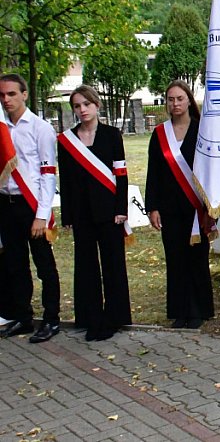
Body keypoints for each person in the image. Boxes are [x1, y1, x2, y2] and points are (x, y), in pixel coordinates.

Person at [57, 85, 132, 341]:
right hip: (81, 213)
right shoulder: (66, 140)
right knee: (86, 266)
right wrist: (67, 215)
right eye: (77, 106)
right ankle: (91, 317)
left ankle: (114, 318)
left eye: (86, 104)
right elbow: (65, 180)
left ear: (96, 105)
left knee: (113, 265)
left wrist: (121, 209)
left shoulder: (112, 135)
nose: (82, 110)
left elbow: (121, 174)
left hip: (109, 212)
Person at [146, 80, 214, 330]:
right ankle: (179, 310)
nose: (175, 103)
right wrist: (152, 207)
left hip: (196, 207)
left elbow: (210, 169)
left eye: (180, 98)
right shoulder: (159, 134)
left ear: (188, 100)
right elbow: (153, 172)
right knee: (175, 259)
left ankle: (198, 310)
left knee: (197, 258)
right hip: (169, 207)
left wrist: (210, 207)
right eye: (171, 99)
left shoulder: (202, 130)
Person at [0, 73, 60, 343]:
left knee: (44, 266)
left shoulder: (40, 128)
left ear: (24, 94)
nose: (6, 99)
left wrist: (41, 216)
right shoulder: (1, 127)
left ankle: (51, 319)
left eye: (12, 94)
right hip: (6, 203)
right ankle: (23, 317)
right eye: (2, 95)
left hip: (31, 205)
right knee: (15, 265)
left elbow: (48, 175)